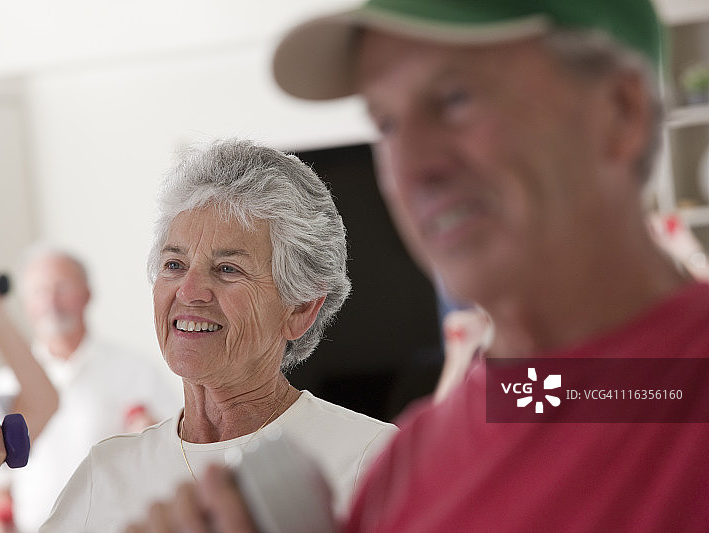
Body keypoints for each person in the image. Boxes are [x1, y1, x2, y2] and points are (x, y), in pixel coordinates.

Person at [122, 0, 709, 530]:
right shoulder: (409, 465)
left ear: (620, 113)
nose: (411, 166)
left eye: (455, 100)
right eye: (386, 122)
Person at [0, 139, 398, 532]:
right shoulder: (107, 472)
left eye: (227, 269)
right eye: (174, 264)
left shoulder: (375, 460)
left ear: (300, 309)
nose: (188, 291)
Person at [0, 247, 184, 533]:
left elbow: (178, 457)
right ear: (25, 303)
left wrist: (152, 439)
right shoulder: (5, 384)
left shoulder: (135, 371)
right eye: (39, 291)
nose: (51, 302)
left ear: (87, 295)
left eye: (62, 288)